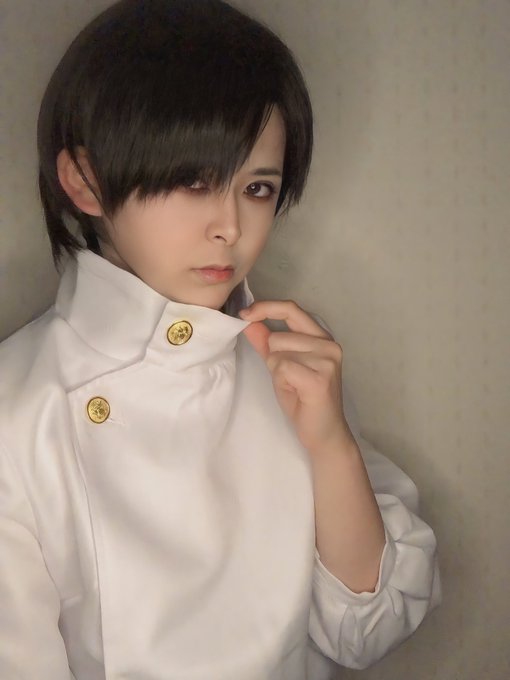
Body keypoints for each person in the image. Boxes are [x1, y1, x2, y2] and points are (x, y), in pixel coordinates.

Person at [0, 1, 441, 678]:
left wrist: (331, 446)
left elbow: (366, 632)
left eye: (257, 187)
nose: (230, 226)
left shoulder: (288, 367)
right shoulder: (16, 411)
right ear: (84, 181)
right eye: (192, 181)